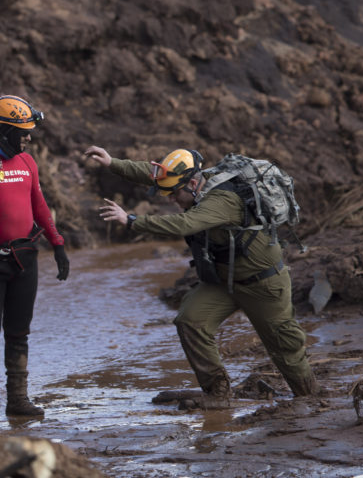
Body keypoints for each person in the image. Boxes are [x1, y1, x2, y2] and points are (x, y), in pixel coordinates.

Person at [86, 145, 318, 408]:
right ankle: (217, 392)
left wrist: (131, 221)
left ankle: (310, 400)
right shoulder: (197, 180)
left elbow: (186, 224)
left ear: (193, 183)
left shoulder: (222, 200)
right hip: (225, 281)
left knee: (285, 349)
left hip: (263, 283)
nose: (171, 199)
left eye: (174, 194)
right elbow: (154, 174)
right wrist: (112, 162)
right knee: (190, 320)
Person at [0, 95, 70, 423]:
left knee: (19, 332)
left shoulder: (28, 163)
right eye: (23, 132)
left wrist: (58, 244)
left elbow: (39, 205)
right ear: (4, 131)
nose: (29, 137)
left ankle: (18, 400)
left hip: (24, 261)